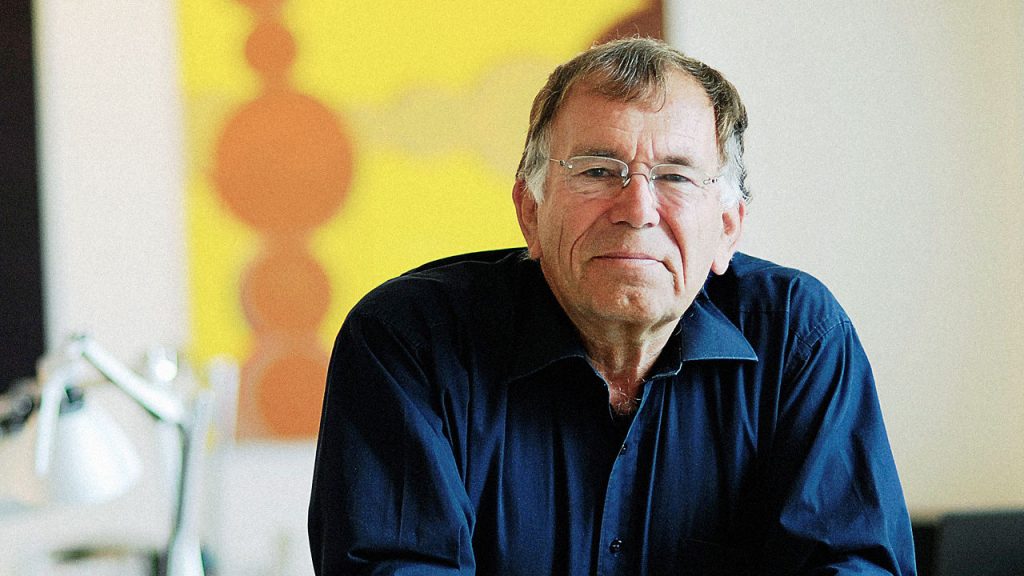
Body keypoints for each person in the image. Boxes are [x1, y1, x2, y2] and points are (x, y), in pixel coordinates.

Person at [308, 37, 916, 575]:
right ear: (530, 212)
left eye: (676, 176)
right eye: (598, 170)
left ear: (727, 229)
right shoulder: (408, 342)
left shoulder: (799, 339)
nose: (638, 210)